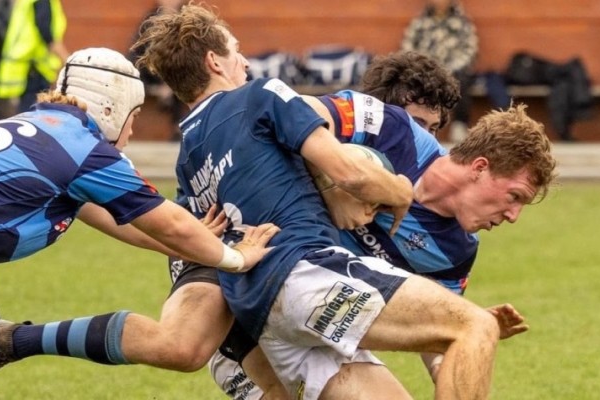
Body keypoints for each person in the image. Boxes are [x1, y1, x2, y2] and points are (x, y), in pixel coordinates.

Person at [135, 5, 502, 400]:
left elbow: (191, 251)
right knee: (472, 325)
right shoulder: (261, 95)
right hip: (303, 276)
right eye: (235, 50)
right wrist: (397, 191)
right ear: (214, 61)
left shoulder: (189, 156)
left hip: (248, 320)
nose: (243, 61)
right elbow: (350, 171)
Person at [208, 58, 554, 400]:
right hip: (250, 299)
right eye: (514, 197)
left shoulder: (457, 250)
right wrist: (332, 184)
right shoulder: (392, 129)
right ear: (480, 168)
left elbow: (435, 350)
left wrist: (463, 347)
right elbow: (293, 111)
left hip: (323, 318)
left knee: (468, 326)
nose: (513, 216)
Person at [0, 46, 279, 400]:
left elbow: (130, 223)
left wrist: (196, 244)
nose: (132, 128)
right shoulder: (85, 149)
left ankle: (11, 340)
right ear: (112, 107)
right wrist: (236, 257)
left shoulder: (41, 134)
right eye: (135, 114)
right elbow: (168, 223)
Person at [401, 0, 478, 143]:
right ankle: (414, 125)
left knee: (462, 79)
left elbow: (470, 50)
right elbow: (408, 45)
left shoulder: (462, 23)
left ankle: (459, 126)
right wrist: (421, 65)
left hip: (453, 69)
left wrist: (450, 69)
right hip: (425, 68)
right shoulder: (420, 22)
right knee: (410, 80)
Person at [0, 0, 69, 119]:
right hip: (34, 69)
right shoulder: (41, 2)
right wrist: (68, 61)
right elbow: (48, 36)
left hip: (23, 68)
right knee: (32, 118)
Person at [128, 0, 187, 141]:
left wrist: (169, 85)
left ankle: (178, 129)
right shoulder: (150, 20)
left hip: (176, 74)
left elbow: (187, 56)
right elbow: (136, 50)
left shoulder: (186, 20)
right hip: (150, 73)